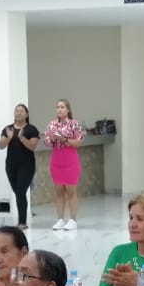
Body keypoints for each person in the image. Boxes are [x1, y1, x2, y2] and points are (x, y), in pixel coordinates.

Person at [46, 98, 85, 230]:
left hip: (70, 160)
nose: (60, 109)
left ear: (68, 110)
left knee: (71, 191)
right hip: (56, 160)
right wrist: (52, 138)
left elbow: (79, 141)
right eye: (58, 107)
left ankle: (73, 220)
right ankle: (60, 219)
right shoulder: (52, 124)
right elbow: (46, 141)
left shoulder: (74, 124)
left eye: (62, 107)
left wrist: (64, 139)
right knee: (58, 192)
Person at [0, 103, 40, 226]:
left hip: (26, 165)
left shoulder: (31, 129)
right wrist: (9, 137)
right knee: (17, 192)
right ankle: (22, 219)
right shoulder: (8, 129)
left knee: (21, 192)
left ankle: (22, 222)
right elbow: (1, 146)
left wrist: (22, 138)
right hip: (11, 165)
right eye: (17, 111)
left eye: (21, 111)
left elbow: (32, 146)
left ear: (26, 114)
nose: (19, 113)